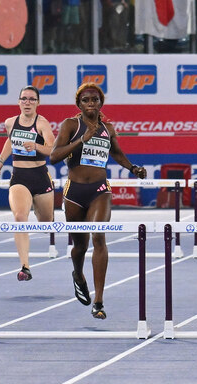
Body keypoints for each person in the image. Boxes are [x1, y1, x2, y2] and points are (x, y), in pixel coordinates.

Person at [50, 82, 147, 319]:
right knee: (80, 247)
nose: (91, 103)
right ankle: (78, 275)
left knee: (99, 236)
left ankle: (99, 300)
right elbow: (54, 157)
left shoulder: (108, 128)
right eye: (86, 100)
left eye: (95, 99)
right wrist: (82, 140)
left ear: (101, 103)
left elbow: (116, 153)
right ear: (79, 104)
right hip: (74, 192)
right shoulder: (71, 125)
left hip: (99, 190)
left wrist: (132, 168)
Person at [0, 86, 56, 281]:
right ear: (19, 101)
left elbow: (51, 148)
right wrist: (0, 161)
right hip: (19, 177)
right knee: (20, 218)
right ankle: (25, 267)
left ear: (38, 102)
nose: (27, 102)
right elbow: (10, 142)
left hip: (40, 176)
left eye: (31, 99)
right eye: (24, 99)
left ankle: (39, 209)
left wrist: (36, 146)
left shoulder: (42, 123)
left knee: (46, 224)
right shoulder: (10, 123)